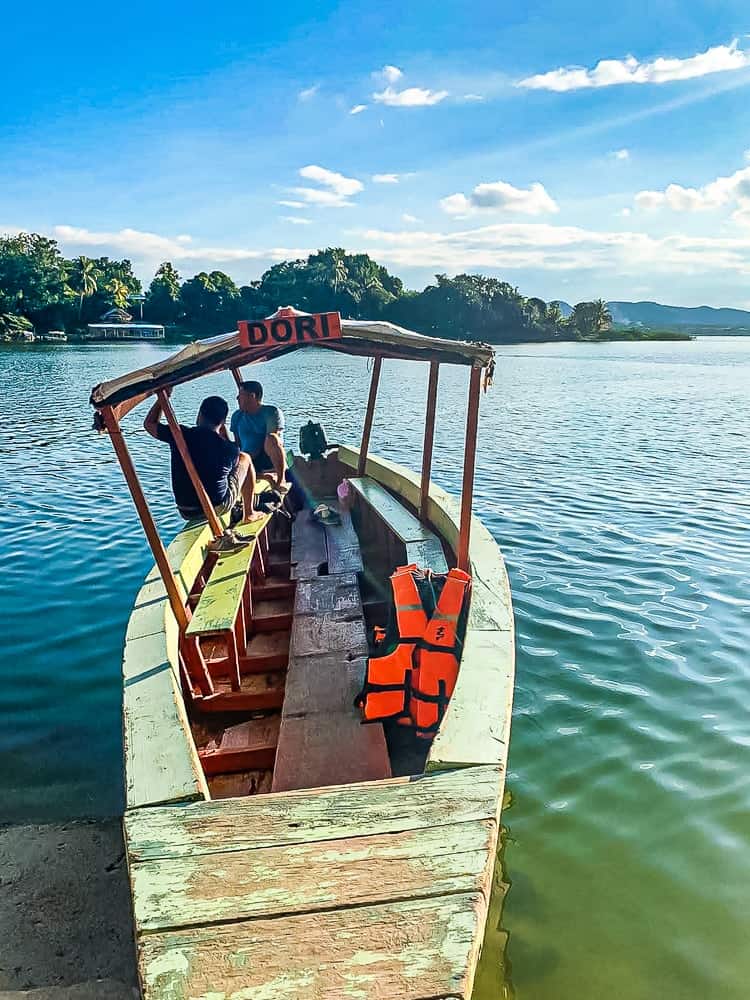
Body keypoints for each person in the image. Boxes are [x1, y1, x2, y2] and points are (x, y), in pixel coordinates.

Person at [144, 390, 260, 525]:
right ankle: (249, 513)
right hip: (214, 507)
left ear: (200, 415)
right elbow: (231, 470)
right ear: (223, 421)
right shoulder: (229, 449)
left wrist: (162, 399)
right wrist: (224, 436)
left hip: (186, 510)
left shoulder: (179, 434)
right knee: (245, 458)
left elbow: (149, 424)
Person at [230, 380, 288, 496]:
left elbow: (272, 441)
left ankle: (281, 480)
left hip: (267, 457)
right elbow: (237, 443)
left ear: (252, 396)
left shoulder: (271, 412)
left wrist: (249, 457)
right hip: (248, 459)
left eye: (240, 395)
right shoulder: (237, 416)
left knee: (272, 439)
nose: (237, 398)